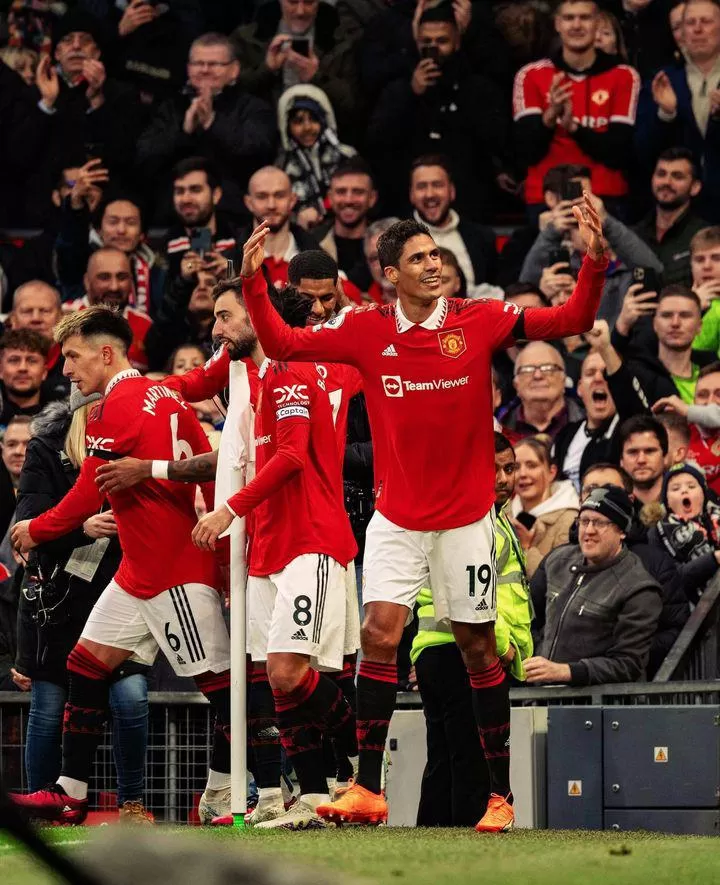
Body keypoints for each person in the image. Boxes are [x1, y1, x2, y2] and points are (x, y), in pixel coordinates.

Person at [236, 193, 608, 831]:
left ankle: (500, 797)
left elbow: (572, 316)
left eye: (436, 254)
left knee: (477, 647)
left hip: (465, 522)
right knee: (380, 635)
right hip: (396, 519)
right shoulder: (363, 327)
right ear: (390, 274)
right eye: (418, 258)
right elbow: (283, 342)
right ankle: (367, 790)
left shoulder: (480, 318)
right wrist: (252, 284)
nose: (433, 265)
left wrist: (594, 261)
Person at [10, 307, 234, 825]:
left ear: (106, 354)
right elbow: (204, 466)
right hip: (139, 572)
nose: (65, 370)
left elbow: (88, 492)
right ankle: (71, 792)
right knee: (85, 666)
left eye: (72, 357)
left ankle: (247, 789)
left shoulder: (117, 406)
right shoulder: (168, 394)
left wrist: (34, 529)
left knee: (222, 686)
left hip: (169, 571)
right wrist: (220, 554)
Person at [12, 389, 152, 822]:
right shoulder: (46, 447)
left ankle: (131, 803)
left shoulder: (137, 443)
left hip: (125, 588)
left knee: (131, 698)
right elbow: (27, 524)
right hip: (60, 600)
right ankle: (47, 803)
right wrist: (82, 527)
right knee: (49, 705)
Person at [409, 432, 533, 828]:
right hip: (468, 650)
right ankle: (467, 843)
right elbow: (466, 596)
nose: (503, 478)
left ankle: (431, 841)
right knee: (471, 758)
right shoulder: (473, 523)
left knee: (447, 757)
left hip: (439, 648)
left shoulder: (486, 520)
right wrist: (503, 647)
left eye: (509, 468)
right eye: (492, 469)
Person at [367, 2, 509, 224]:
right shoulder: (398, 88)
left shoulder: (478, 88)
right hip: (409, 208)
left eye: (442, 41)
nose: (434, 47)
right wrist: (411, 94)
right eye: (427, 42)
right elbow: (377, 141)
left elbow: (496, 139)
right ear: (416, 42)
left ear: (457, 42)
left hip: (469, 206)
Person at [513, 0, 640, 217]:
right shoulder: (530, 76)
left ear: (598, 23)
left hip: (605, 196)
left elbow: (617, 152)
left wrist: (574, 127)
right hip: (545, 199)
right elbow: (526, 152)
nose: (577, 25)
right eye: (569, 18)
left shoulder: (624, 76)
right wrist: (550, 117)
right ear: (557, 24)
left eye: (585, 17)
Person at [135, 32, 277, 224]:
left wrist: (212, 123)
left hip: (234, 218)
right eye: (198, 64)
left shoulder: (254, 108)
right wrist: (184, 132)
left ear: (234, 70)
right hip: (173, 218)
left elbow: (257, 156)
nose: (204, 70)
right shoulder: (171, 107)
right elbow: (144, 157)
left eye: (214, 64)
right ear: (188, 68)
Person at [527, 485, 663, 685]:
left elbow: (629, 664)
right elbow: (529, 619)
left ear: (622, 531)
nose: (589, 530)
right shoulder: (557, 560)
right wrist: (536, 654)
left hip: (593, 707)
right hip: (539, 697)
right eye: (584, 521)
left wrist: (567, 672)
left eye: (599, 523)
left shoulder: (638, 588)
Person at [577, 461, 689, 676]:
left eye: (609, 489)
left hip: (626, 685)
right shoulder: (558, 559)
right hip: (552, 686)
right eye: (591, 490)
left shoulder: (654, 563)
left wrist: (617, 654)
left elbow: (675, 631)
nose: (599, 496)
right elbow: (535, 621)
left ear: (628, 499)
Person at [520, 171, 663, 325]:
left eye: (597, 223)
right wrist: (542, 294)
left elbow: (655, 271)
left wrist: (607, 221)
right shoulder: (560, 269)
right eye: (583, 223)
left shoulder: (625, 270)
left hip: (614, 344)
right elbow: (521, 294)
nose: (592, 230)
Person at [636, 0, 720, 223]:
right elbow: (643, 151)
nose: (697, 29)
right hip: (681, 210)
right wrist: (666, 114)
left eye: (706, 21)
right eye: (690, 23)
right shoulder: (663, 80)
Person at [232, 0, 359, 140]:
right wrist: (266, 70)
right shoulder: (247, 39)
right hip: (263, 140)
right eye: (292, 2)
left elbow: (353, 106)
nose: (300, 11)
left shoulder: (343, 41)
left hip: (322, 139)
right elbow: (231, 96)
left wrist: (316, 77)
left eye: (308, 2)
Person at [54, 166, 166, 315]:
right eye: (113, 222)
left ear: (142, 234)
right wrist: (76, 206)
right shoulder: (81, 264)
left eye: (130, 222)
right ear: (99, 230)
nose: (121, 230)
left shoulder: (157, 273)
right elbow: (70, 245)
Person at [553, 319, 651, 488]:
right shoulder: (566, 435)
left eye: (606, 373)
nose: (599, 378)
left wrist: (605, 348)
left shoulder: (625, 430)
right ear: (579, 388)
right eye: (591, 373)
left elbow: (635, 410)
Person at [408, 155, 497, 296]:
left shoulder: (482, 237)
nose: (430, 194)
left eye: (437, 185)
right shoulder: (397, 239)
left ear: (452, 191)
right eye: (421, 186)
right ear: (411, 195)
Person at [613, 283, 714, 403]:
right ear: (654, 324)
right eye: (667, 315)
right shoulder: (637, 372)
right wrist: (623, 325)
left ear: (699, 326)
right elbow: (611, 369)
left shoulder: (713, 367)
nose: (675, 323)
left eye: (685, 315)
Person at [276, 84, 357, 229]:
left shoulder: (346, 156)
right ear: (287, 126)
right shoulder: (282, 166)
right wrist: (298, 217)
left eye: (313, 119)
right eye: (298, 121)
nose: (307, 127)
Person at [66, 248, 153, 373]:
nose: (114, 286)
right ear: (87, 281)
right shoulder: (64, 318)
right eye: (104, 277)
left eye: (122, 277)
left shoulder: (144, 325)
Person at [632, 148, 707, 286]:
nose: (667, 182)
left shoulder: (705, 236)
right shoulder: (634, 234)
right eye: (661, 174)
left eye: (677, 176)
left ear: (695, 187)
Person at [162, 157, 240, 288]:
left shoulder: (241, 239)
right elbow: (161, 306)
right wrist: (183, 279)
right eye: (179, 191)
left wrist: (232, 273)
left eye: (195, 190)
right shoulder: (163, 248)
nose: (186, 199)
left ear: (216, 195)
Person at [239, 166, 319, 291]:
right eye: (262, 196)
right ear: (249, 202)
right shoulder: (229, 261)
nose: (271, 205)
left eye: (279, 195)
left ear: (292, 200)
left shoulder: (318, 257)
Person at [511, 437, 580, 578]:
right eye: (516, 467)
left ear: (552, 472)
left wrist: (526, 549)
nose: (523, 474)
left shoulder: (570, 520)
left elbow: (560, 579)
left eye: (531, 465)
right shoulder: (503, 512)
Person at [653, 360, 720, 493]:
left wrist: (687, 410)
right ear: (694, 400)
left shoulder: (688, 411)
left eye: (719, 394)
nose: (711, 402)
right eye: (702, 395)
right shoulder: (678, 434)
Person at [501, 341, 584, 441]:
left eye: (548, 368)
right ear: (516, 384)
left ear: (563, 380)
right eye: (528, 369)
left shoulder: (588, 424)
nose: (538, 376)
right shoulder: (500, 431)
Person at [317, 159, 378, 293]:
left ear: (372, 198)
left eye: (358, 192)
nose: (349, 200)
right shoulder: (311, 242)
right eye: (341, 192)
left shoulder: (388, 245)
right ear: (330, 197)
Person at [144, 270, 218, 372]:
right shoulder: (170, 332)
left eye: (210, 283)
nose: (201, 287)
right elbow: (154, 343)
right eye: (194, 284)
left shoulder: (229, 332)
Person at [7, 281, 67, 400]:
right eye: (27, 311)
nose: (36, 318)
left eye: (45, 311)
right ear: (12, 319)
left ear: (61, 318)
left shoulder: (78, 363)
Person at [0, 330, 50, 431]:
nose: (23, 368)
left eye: (32, 361)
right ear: (0, 370)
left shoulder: (62, 423)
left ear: (44, 372)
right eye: (14, 360)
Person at [619, 414, 670, 506]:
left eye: (649, 451)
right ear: (621, 460)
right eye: (633, 452)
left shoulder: (684, 497)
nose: (641, 460)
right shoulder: (613, 503)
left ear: (665, 456)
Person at [690, 227, 720, 353]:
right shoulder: (672, 304)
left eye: (716, 258)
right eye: (699, 260)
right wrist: (693, 307)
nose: (707, 266)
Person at [364, 217, 401, 305]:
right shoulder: (362, 309)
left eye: (389, 253)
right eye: (375, 258)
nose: (383, 264)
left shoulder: (435, 297)